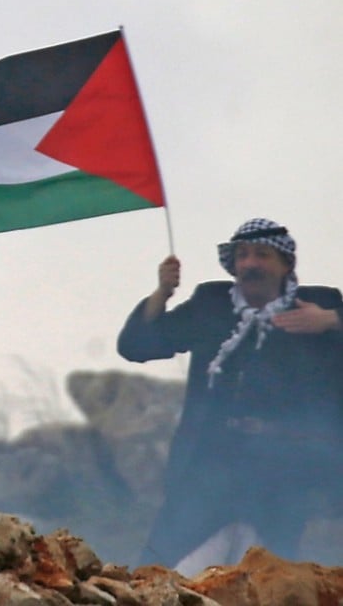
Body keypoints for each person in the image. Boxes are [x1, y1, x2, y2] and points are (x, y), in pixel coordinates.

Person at [117, 218, 343, 573]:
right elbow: (137, 345)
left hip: (282, 473)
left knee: (262, 580)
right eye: (243, 255)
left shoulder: (319, 305)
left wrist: (332, 321)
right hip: (210, 463)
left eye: (262, 255)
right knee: (169, 573)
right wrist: (162, 292)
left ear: (285, 265)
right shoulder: (212, 304)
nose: (251, 263)